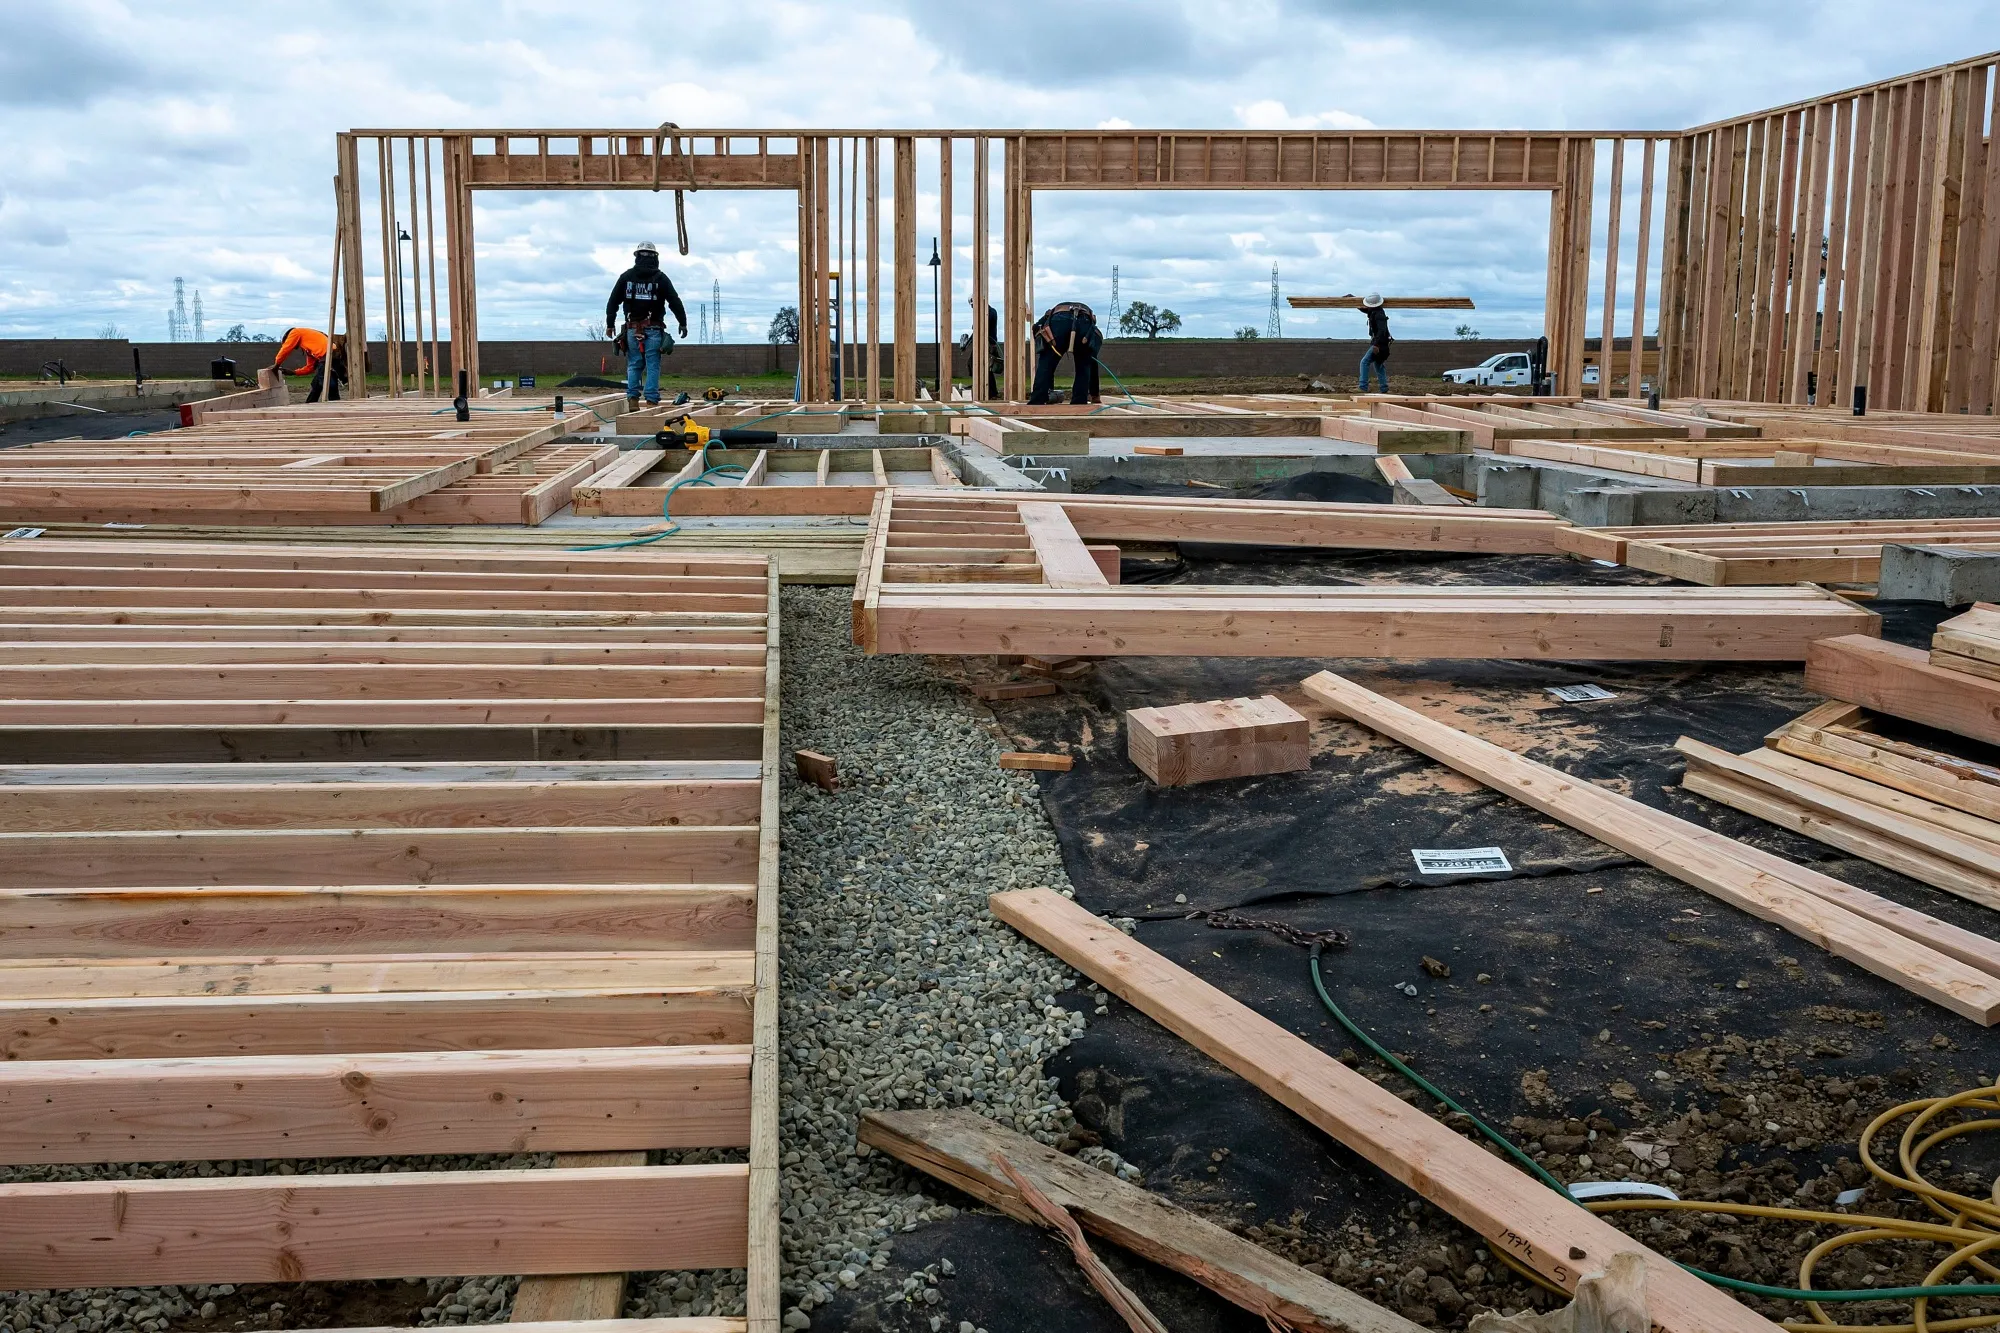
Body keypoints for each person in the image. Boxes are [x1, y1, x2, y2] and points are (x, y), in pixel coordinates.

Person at [604, 240, 689, 409]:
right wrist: (682, 322)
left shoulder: (626, 277)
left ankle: (633, 398)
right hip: (654, 329)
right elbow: (674, 301)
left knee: (634, 363)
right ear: (655, 257)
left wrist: (610, 324)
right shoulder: (661, 278)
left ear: (637, 257)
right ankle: (651, 401)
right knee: (652, 364)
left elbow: (613, 301)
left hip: (632, 329)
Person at [1028, 300, 1103, 405]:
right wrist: (1095, 395)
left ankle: (1037, 402)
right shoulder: (1091, 325)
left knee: (1046, 364)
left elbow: (1036, 328)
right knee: (1084, 366)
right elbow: (1092, 364)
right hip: (1084, 321)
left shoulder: (1046, 319)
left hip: (1059, 321)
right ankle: (1079, 403)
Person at [269, 327, 348, 402]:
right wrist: (294, 372)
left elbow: (285, 350)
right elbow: (310, 368)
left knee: (329, 384)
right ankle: (311, 402)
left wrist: (276, 366)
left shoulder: (295, 332)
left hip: (328, 355)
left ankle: (334, 404)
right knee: (317, 384)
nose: (292, 347)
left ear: (287, 337)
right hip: (331, 357)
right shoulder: (310, 348)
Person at [1357, 293, 1392, 393]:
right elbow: (1365, 310)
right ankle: (1384, 389)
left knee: (1364, 362)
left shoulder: (1379, 314)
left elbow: (1382, 331)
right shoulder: (1375, 311)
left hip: (1379, 344)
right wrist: (1353, 299)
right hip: (1383, 344)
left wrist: (1376, 345)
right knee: (1378, 365)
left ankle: (1363, 387)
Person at [967, 298, 1001, 398]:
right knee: (976, 365)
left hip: (988, 344)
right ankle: (986, 389)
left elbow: (980, 325)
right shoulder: (983, 313)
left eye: (973, 306)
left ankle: (989, 392)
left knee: (985, 368)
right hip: (982, 343)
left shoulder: (990, 312)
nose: (973, 308)